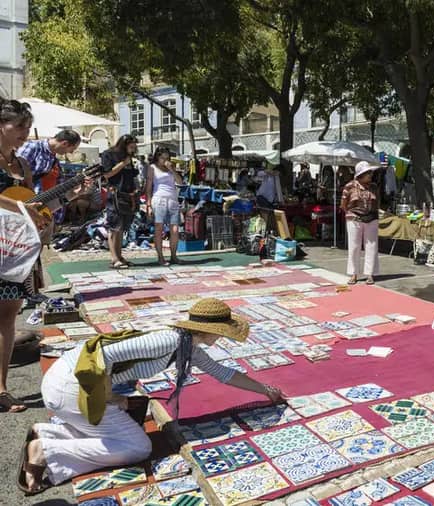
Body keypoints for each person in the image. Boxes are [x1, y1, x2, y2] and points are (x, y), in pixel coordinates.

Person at [17, 298, 284, 495]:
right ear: (209, 330)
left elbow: (223, 373)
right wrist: (110, 396)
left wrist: (265, 390)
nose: (223, 336)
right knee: (138, 447)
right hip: (72, 388)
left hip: (69, 384)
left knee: (116, 430)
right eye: (222, 331)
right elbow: (103, 354)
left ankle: (49, 433)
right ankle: (47, 451)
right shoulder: (169, 341)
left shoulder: (187, 345)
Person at [0, 100, 51, 413]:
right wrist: (22, 208)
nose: (24, 133)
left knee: (8, 317)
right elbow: (21, 205)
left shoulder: (22, 164)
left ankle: (1, 389)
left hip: (16, 250)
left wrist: (65, 200)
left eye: (28, 128)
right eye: (19, 126)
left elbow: (34, 203)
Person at [101, 135, 139, 269]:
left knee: (121, 228)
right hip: (115, 195)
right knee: (114, 227)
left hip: (128, 195)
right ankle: (114, 258)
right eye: (131, 147)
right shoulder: (109, 154)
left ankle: (120, 256)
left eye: (134, 147)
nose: (133, 149)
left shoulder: (129, 157)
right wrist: (123, 164)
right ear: (124, 145)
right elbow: (106, 174)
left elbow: (132, 175)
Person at [341, 161, 380, 285]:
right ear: (361, 175)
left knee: (372, 246)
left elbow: (377, 202)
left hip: (372, 218)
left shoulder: (374, 187)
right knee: (354, 246)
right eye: (368, 173)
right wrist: (351, 214)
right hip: (354, 218)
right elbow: (344, 204)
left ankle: (370, 274)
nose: (370, 175)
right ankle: (354, 273)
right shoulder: (349, 186)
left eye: (370, 172)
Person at [144, 148, 183, 266]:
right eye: (163, 158)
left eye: (167, 158)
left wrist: (172, 169)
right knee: (159, 228)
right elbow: (148, 187)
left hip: (172, 200)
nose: (165, 160)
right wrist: (148, 204)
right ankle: (160, 257)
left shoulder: (171, 168)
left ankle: (173, 256)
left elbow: (180, 182)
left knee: (175, 230)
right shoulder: (152, 168)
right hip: (159, 199)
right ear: (157, 157)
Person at [17, 129, 81, 196]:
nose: (71, 152)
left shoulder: (53, 159)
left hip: (35, 198)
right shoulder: (32, 147)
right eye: (73, 149)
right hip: (19, 196)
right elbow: (13, 172)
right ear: (65, 143)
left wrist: (76, 187)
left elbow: (60, 183)